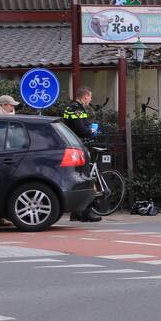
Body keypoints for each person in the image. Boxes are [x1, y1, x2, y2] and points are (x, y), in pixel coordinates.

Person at [62, 87, 102, 223]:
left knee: (78, 178)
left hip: (72, 146)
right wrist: (91, 132)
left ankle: (76, 213)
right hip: (77, 146)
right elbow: (80, 129)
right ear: (85, 97)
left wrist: (90, 127)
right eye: (90, 97)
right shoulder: (77, 109)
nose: (90, 100)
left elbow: (79, 125)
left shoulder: (72, 107)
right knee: (85, 177)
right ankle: (85, 212)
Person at [0, 96, 20, 228]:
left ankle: (0, 218)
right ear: (3, 105)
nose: (13, 108)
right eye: (11, 105)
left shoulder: (4, 116)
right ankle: (2, 216)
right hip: (0, 157)